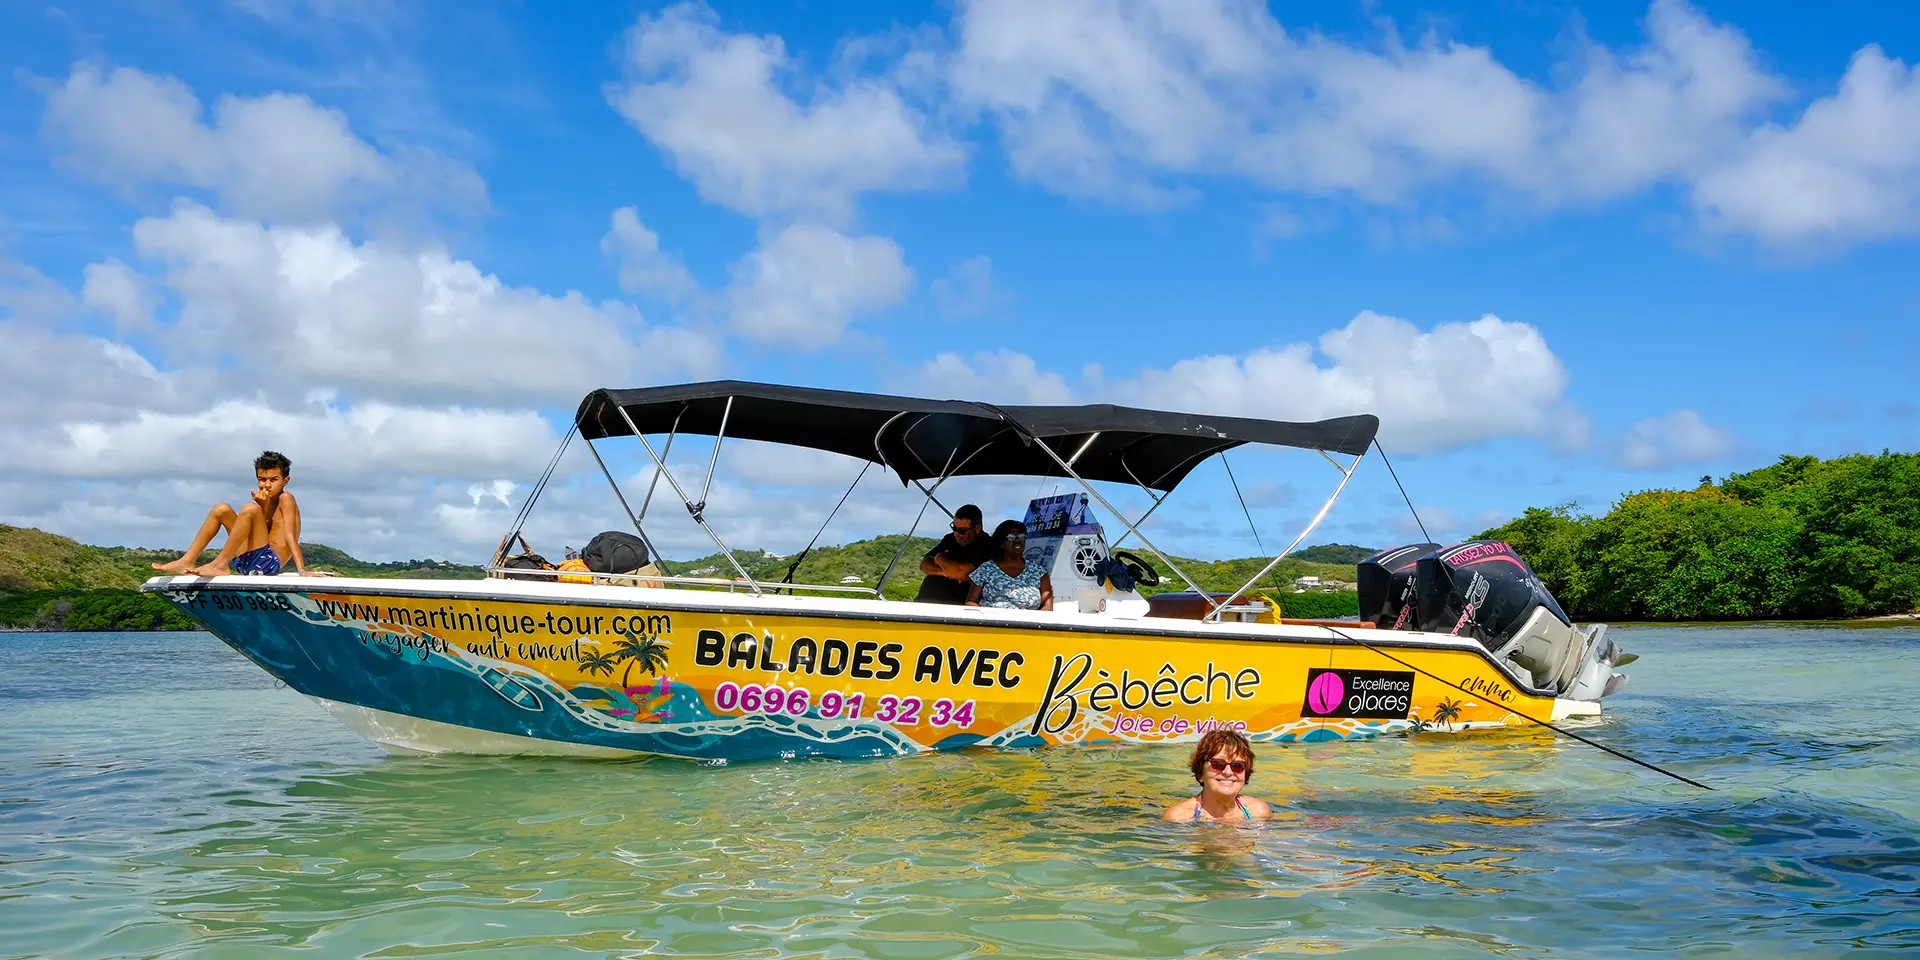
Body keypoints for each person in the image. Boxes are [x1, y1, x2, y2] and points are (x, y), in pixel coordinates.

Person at [151, 450, 314, 577]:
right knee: (221, 509)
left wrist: (302, 571)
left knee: (249, 508)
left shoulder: (286, 498)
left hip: (269, 563)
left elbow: (290, 537)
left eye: (273, 479)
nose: (267, 485)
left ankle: (221, 564)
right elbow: (261, 533)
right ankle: (187, 560)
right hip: (249, 559)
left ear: (286, 480)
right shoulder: (266, 500)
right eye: (262, 479)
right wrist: (263, 507)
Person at [1161, 730, 1275, 822]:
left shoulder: (1259, 812)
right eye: (1218, 764)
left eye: (1237, 766)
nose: (1228, 772)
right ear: (1201, 773)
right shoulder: (1178, 817)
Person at [915, 504, 996, 604]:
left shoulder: (987, 545)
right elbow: (924, 564)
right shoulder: (949, 539)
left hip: (957, 603)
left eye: (962, 530)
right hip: (926, 599)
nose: (956, 533)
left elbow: (962, 573)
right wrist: (947, 573)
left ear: (977, 528)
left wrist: (940, 559)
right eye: (954, 528)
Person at [965, 519, 1054, 611]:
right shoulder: (985, 570)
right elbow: (971, 602)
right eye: (1011, 537)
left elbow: (1048, 607)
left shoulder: (1039, 572)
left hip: (1028, 620)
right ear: (1001, 543)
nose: (1017, 541)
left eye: (1021, 537)